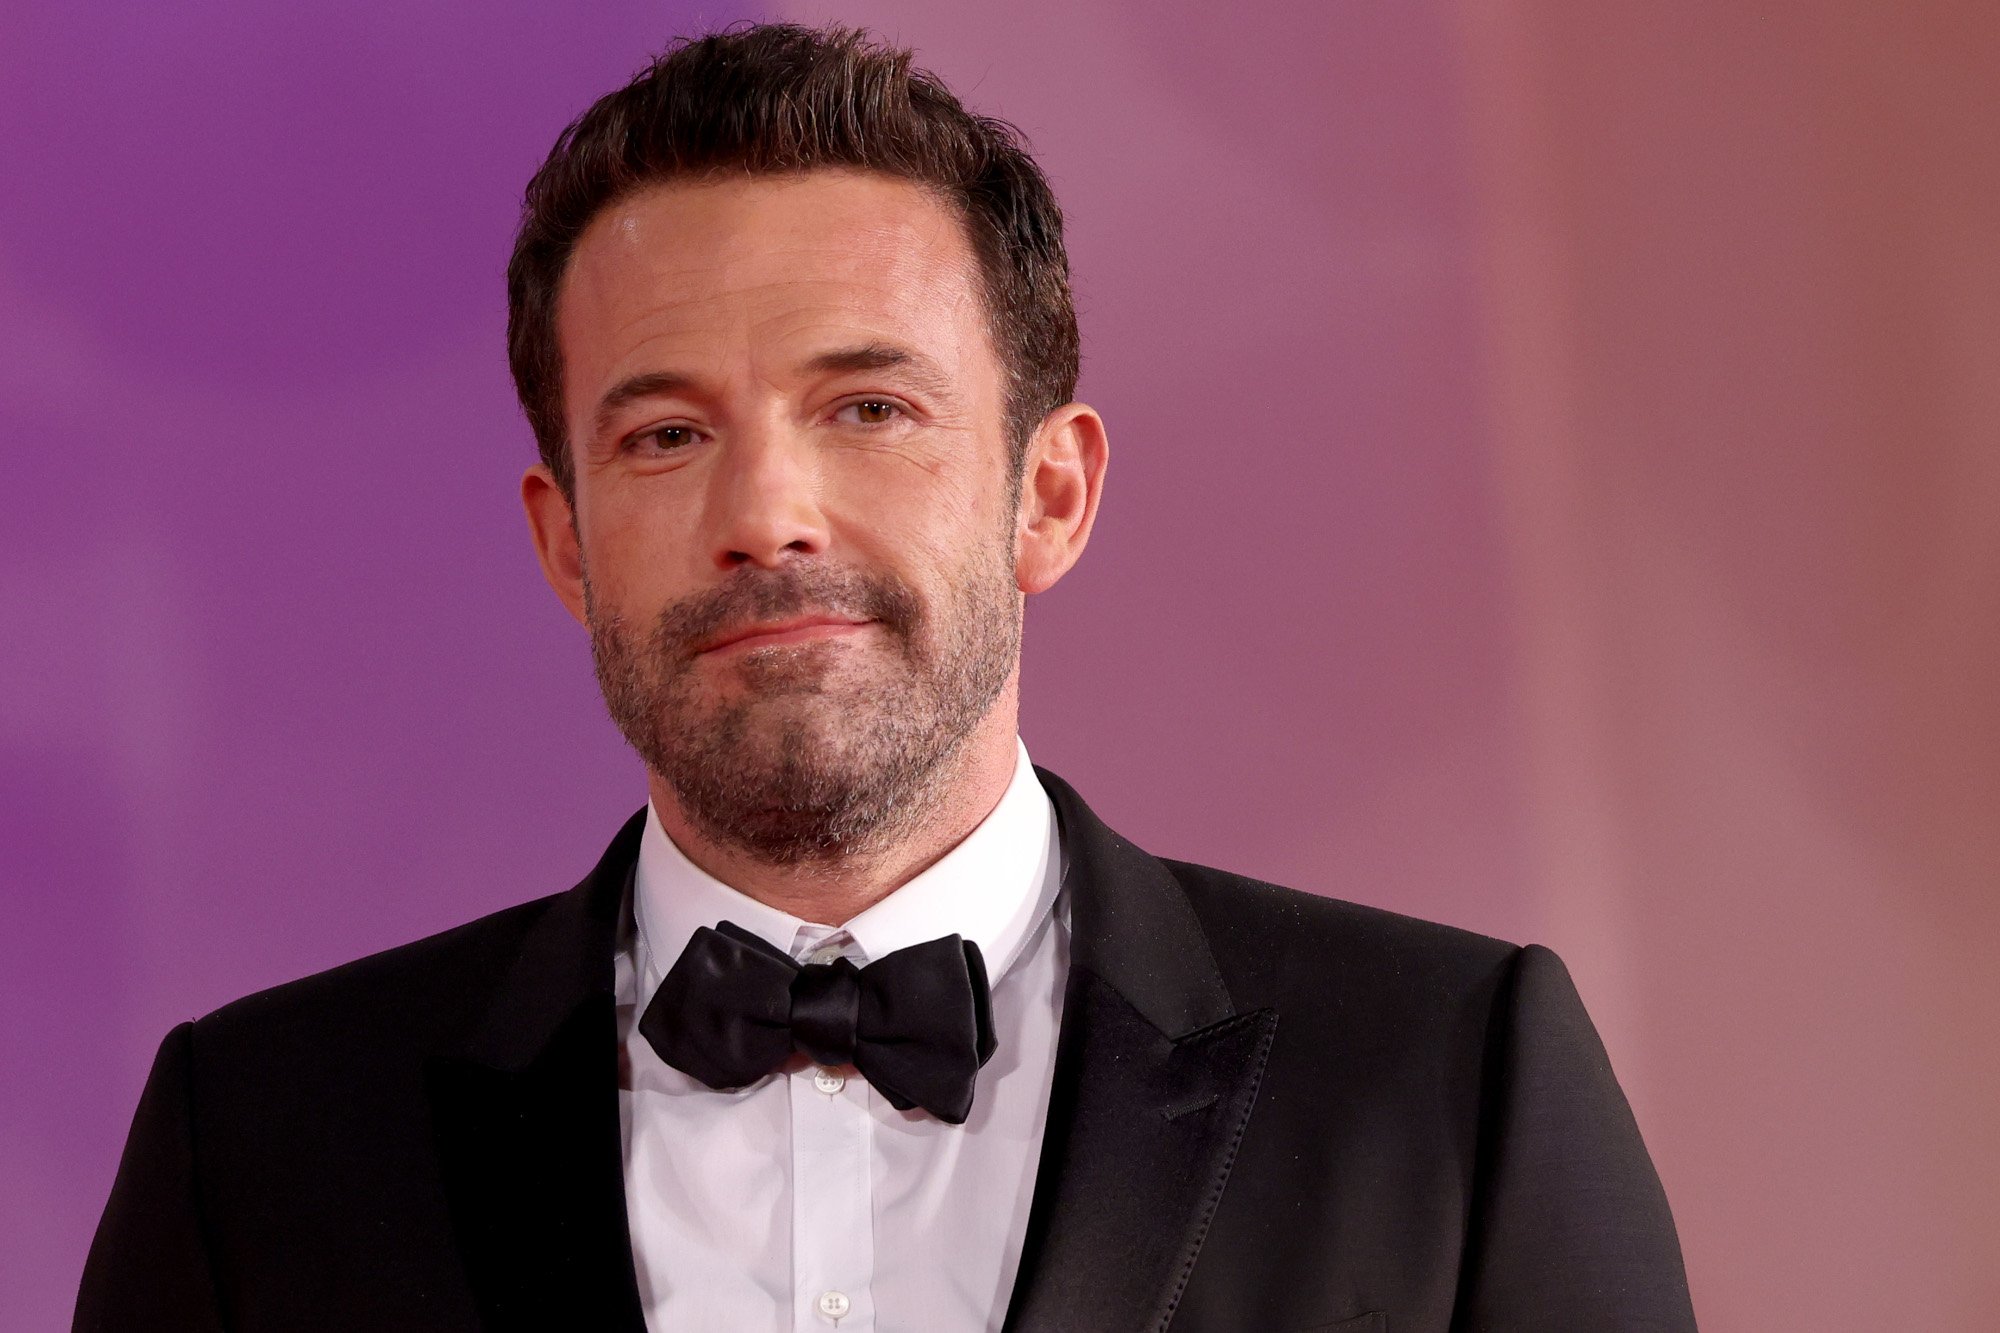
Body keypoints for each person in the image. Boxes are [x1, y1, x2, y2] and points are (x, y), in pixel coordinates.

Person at [75, 22, 1695, 1333]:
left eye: (869, 408)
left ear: (1046, 493)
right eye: (665, 435)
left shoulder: (1449, 1083)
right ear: (566, 543)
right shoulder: (263, 1143)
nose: (766, 516)